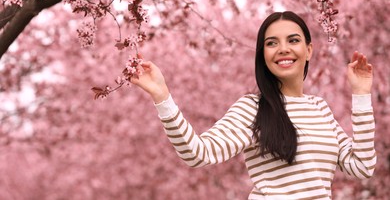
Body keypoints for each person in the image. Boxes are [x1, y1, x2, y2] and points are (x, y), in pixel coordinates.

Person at [131, 11, 376, 199]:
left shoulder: (320, 108)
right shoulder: (252, 109)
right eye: (271, 43)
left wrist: (361, 94)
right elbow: (198, 153)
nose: (283, 49)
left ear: (309, 50)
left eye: (293, 40)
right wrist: (162, 97)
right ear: (262, 54)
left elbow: (362, 166)